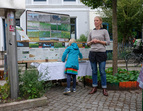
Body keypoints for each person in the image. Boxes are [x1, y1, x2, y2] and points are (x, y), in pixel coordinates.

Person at [87, 16, 110, 96]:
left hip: (101, 53)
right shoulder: (91, 32)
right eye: (94, 20)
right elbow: (87, 43)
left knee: (102, 71)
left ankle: (104, 88)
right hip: (93, 53)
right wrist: (92, 42)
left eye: (97, 20)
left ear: (100, 21)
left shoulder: (104, 31)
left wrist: (99, 41)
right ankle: (94, 87)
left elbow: (108, 42)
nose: (95, 22)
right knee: (94, 71)